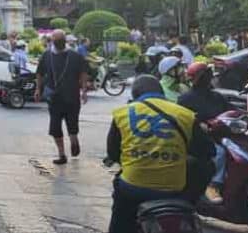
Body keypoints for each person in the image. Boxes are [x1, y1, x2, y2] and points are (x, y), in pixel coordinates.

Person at [106, 75, 215, 233]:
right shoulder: (186, 115)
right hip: (175, 190)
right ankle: (191, 206)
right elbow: (207, 152)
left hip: (132, 188)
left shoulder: (123, 113)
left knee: (120, 222)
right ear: (161, 91)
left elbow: (114, 154)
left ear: (134, 95)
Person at [178, 62, 230, 203]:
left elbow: (230, 112)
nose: (208, 78)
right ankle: (213, 185)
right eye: (204, 76)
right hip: (199, 139)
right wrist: (200, 125)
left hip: (221, 135)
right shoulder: (185, 99)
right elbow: (184, 121)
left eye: (208, 75)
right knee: (219, 152)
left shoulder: (217, 97)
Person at [34, 30, 89, 164]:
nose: (57, 44)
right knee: (55, 127)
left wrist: (84, 90)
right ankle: (62, 154)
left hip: (71, 96)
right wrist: (38, 89)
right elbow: (39, 73)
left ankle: (73, 141)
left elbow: (83, 74)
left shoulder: (75, 56)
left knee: (72, 124)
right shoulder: (47, 56)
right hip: (55, 97)